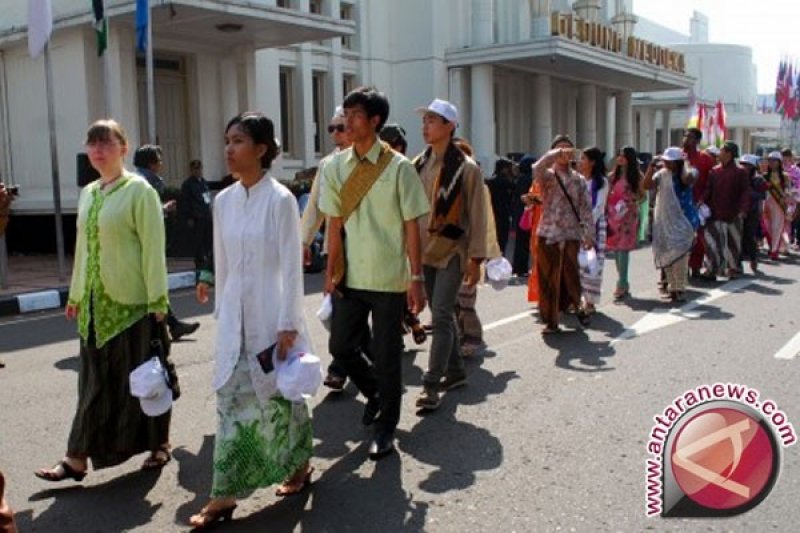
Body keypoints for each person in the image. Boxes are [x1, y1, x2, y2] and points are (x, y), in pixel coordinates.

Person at [35, 119, 176, 483]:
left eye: (107, 142)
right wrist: (76, 292)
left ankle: (160, 442)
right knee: (94, 382)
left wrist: (158, 300)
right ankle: (76, 457)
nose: (98, 149)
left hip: (133, 303)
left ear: (123, 148)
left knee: (143, 378)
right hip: (96, 304)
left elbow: (152, 248)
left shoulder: (139, 191)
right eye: (93, 143)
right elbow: (83, 247)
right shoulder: (90, 193)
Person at [190, 112, 313, 528]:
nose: (228, 149)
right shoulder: (222, 202)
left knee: (280, 397)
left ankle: (299, 464)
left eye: (238, 141)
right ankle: (223, 495)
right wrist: (221, 315)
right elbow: (222, 265)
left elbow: (291, 267)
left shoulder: (279, 200)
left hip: (271, 315)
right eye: (226, 140)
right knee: (231, 402)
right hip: (233, 320)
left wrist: (289, 323)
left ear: (261, 149)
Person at [319, 86, 429, 459]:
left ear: (375, 121)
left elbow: (412, 225)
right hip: (350, 277)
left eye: (355, 115)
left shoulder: (399, 168)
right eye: (345, 114)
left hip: (387, 278)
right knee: (340, 346)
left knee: (386, 356)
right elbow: (334, 224)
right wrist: (330, 269)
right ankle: (377, 394)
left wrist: (417, 278)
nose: (346, 121)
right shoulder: (334, 167)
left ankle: (386, 428)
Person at [411, 99, 489, 411]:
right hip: (425, 250)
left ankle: (431, 385)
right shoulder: (418, 163)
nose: (426, 126)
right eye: (425, 119)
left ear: (449, 126)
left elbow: (478, 216)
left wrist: (476, 258)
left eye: (433, 120)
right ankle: (455, 371)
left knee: (441, 313)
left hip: (453, 250)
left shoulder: (467, 169)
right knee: (440, 311)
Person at [300, 106, 373, 392]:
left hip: (371, 256)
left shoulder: (377, 163)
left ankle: (371, 367)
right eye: (331, 129)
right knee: (345, 315)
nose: (336, 135)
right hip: (339, 254)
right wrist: (304, 241)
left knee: (358, 316)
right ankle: (343, 367)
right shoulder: (329, 165)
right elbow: (315, 205)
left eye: (341, 128)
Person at [134, 145, 200, 341]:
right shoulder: (144, 183)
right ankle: (167, 326)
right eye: (159, 160)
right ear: (152, 163)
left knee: (151, 286)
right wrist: (163, 210)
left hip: (143, 242)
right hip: (142, 243)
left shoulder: (139, 181)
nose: (161, 164)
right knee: (150, 285)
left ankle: (171, 324)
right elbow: (142, 213)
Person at [532, 135, 595, 334]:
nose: (564, 153)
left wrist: (589, 234)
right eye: (561, 149)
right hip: (548, 232)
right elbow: (536, 169)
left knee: (571, 274)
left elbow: (586, 208)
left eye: (568, 149)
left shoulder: (579, 180)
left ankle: (577, 304)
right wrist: (553, 154)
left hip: (571, 233)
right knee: (548, 277)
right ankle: (551, 321)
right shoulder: (548, 175)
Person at [642, 147, 698, 303]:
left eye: (670, 161)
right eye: (665, 160)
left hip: (683, 220)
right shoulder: (661, 174)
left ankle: (679, 288)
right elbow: (646, 186)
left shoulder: (690, 172)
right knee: (667, 253)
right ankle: (672, 287)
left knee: (681, 254)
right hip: (665, 221)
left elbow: (687, 179)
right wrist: (651, 167)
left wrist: (683, 163)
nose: (666, 163)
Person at [702, 141, 750, 279]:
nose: (719, 154)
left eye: (722, 151)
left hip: (733, 214)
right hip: (714, 213)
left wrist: (742, 209)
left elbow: (745, 192)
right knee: (711, 242)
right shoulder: (714, 171)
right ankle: (711, 269)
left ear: (729, 153)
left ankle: (732, 268)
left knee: (732, 243)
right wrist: (700, 203)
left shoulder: (740, 172)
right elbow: (708, 190)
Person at [606, 146, 642, 301]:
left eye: (624, 156)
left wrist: (633, 202)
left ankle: (621, 283)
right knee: (615, 249)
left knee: (623, 249)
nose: (620, 158)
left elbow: (643, 196)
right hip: (613, 215)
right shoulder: (612, 176)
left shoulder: (636, 177)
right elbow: (607, 195)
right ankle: (623, 281)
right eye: (619, 155)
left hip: (628, 216)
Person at [577, 147, 608, 313]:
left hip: (595, 226)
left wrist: (587, 225)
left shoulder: (602, 182)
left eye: (583, 158)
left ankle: (590, 302)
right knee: (577, 263)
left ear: (593, 162)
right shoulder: (578, 180)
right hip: (577, 226)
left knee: (593, 263)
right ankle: (576, 299)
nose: (580, 162)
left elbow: (599, 207)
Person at [683, 128, 716, 278]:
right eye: (685, 136)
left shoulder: (705, 159)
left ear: (697, 141)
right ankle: (680, 270)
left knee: (699, 239)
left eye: (690, 137)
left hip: (698, 205)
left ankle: (695, 267)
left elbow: (711, 183)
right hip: (679, 205)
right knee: (680, 238)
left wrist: (703, 199)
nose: (686, 139)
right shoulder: (677, 156)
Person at [180, 160, 213, 281]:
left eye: (199, 169)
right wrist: (189, 218)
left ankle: (208, 267)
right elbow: (185, 203)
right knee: (198, 244)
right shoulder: (187, 184)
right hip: (196, 217)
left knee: (208, 242)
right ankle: (199, 268)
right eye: (195, 169)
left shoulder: (203, 182)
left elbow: (207, 198)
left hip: (206, 216)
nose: (197, 171)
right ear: (191, 170)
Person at [739, 154, 768, 273]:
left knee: (749, 236)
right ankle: (737, 264)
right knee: (737, 237)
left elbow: (762, 196)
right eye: (742, 164)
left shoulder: (759, 180)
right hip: (738, 211)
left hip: (752, 212)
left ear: (753, 167)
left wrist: (750, 193)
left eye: (747, 165)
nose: (744, 167)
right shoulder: (738, 177)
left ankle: (753, 258)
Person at [762, 151, 791, 260]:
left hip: (779, 204)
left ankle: (774, 251)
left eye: (774, 160)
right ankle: (772, 246)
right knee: (767, 227)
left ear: (779, 162)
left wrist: (787, 195)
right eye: (770, 160)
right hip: (766, 203)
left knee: (777, 227)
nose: (772, 163)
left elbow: (788, 188)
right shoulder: (764, 175)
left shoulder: (785, 176)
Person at [511, 155, 535, 277]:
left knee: (520, 242)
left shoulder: (520, 179)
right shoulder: (530, 179)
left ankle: (518, 268)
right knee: (526, 242)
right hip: (528, 212)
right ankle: (523, 268)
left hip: (520, 212)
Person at [486, 158, 515, 256]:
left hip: (491, 212)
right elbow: (515, 190)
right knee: (502, 241)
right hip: (503, 213)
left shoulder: (489, 181)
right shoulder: (506, 181)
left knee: (493, 239)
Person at [781, 148, 800, 248]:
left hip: (792, 199)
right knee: (780, 221)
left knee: (788, 221)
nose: (785, 159)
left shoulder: (796, 170)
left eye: (787, 156)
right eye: (783, 156)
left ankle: (786, 243)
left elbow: (798, 185)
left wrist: (794, 194)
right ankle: (783, 243)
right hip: (778, 198)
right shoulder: (778, 169)